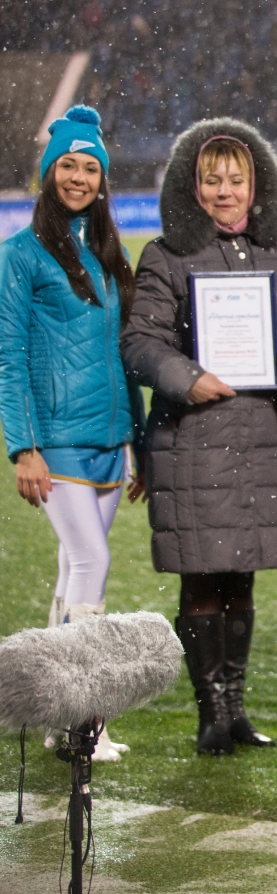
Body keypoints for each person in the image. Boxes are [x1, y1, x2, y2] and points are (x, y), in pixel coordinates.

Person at [121, 119, 277, 756]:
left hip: (261, 435)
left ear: (258, 186)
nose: (225, 192)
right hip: (192, 437)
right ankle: (210, 716)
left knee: (241, 577)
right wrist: (186, 377)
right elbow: (140, 344)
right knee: (201, 577)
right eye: (211, 180)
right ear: (190, 187)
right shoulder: (165, 255)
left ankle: (236, 708)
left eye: (237, 180)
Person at [0, 104, 142, 762]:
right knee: (92, 562)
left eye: (91, 167)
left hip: (110, 438)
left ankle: (55, 714)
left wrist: (135, 437)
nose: (79, 177)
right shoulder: (20, 256)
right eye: (68, 165)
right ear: (48, 173)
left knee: (71, 568)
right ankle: (84, 715)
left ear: (103, 179)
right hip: (55, 439)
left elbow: (123, 353)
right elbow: (8, 356)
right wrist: (23, 446)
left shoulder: (111, 253)